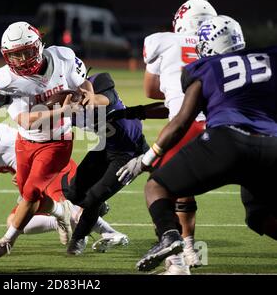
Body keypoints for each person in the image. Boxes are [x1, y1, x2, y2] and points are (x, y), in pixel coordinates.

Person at [117, 15, 277, 272]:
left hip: (227, 140)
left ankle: (170, 237)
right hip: (271, 146)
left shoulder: (206, 67)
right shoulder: (269, 58)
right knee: (259, 216)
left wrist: (146, 159)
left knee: (157, 186)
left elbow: (181, 122)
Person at [113, 0, 217, 274]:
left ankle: (177, 261)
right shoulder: (220, 46)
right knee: (186, 188)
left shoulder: (163, 41)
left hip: (186, 126)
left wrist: (175, 87)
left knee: (159, 188)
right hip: (223, 127)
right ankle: (190, 248)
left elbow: (152, 91)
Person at [0, 111, 128, 250]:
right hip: (37, 181)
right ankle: (64, 219)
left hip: (53, 167)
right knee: (16, 222)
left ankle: (111, 233)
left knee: (71, 211)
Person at [0, 21, 97, 259]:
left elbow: (83, 83)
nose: (22, 60)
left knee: (31, 193)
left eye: (27, 52)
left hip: (58, 140)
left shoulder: (63, 57)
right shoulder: (4, 80)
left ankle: (7, 240)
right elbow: (25, 120)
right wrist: (63, 111)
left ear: (39, 46)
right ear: (6, 56)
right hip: (25, 141)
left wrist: (88, 93)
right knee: (32, 195)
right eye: (15, 55)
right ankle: (62, 212)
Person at [61, 72, 148, 255]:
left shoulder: (99, 81)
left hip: (130, 153)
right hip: (106, 147)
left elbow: (106, 98)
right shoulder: (65, 104)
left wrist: (90, 99)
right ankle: (99, 208)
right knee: (73, 192)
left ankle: (78, 238)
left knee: (93, 197)